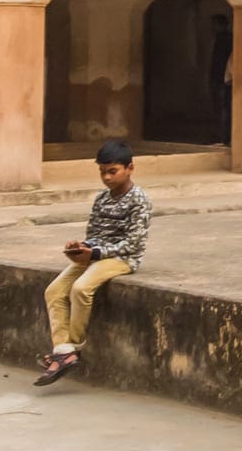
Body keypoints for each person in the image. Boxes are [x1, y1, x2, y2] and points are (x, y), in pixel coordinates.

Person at [35, 140, 153, 386]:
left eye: (113, 171)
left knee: (81, 288)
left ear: (130, 168)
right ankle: (62, 349)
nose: (107, 177)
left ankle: (73, 348)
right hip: (96, 255)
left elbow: (133, 244)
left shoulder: (139, 200)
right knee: (54, 291)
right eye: (102, 172)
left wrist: (97, 253)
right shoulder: (101, 199)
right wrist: (81, 248)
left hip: (122, 259)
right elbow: (94, 234)